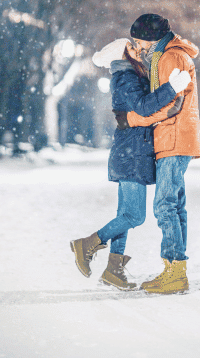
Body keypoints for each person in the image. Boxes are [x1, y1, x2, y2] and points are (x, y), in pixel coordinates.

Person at [70, 37, 191, 291]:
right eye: (133, 48)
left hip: (130, 152)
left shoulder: (130, 77)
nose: (140, 51)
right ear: (125, 55)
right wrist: (171, 88)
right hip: (131, 153)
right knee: (134, 215)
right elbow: (145, 107)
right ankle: (87, 244)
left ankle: (114, 269)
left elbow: (139, 112)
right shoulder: (126, 78)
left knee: (125, 214)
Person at [122, 13, 200, 294]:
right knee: (175, 206)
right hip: (176, 136)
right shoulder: (168, 56)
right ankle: (175, 268)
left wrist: (135, 119)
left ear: (151, 37)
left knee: (165, 205)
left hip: (174, 136)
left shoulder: (170, 58)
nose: (139, 47)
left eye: (139, 41)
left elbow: (173, 104)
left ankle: (174, 271)